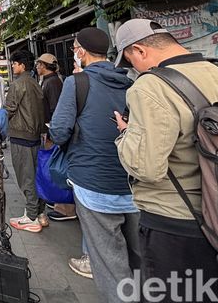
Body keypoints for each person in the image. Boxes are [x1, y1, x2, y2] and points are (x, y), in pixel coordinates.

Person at [114, 18, 218, 300]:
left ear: (140, 50)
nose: (132, 67)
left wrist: (125, 135)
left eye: (130, 59)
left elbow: (146, 168)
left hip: (179, 223)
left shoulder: (151, 87)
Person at [49, 27, 139, 303]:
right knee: (138, 257)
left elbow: (60, 131)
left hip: (92, 181)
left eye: (75, 47)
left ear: (81, 52)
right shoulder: (131, 83)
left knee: (109, 262)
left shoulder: (76, 83)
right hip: (134, 183)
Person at [5, 49, 48, 232]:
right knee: (35, 175)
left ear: (22, 65)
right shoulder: (35, 82)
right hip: (35, 135)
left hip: (21, 135)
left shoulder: (18, 84)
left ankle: (31, 216)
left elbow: (9, 109)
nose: (13, 66)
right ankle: (39, 213)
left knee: (26, 176)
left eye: (14, 63)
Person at [36, 53, 63, 123]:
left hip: (52, 125)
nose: (36, 67)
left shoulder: (52, 82)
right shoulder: (47, 80)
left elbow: (55, 108)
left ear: (43, 65)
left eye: (38, 64)